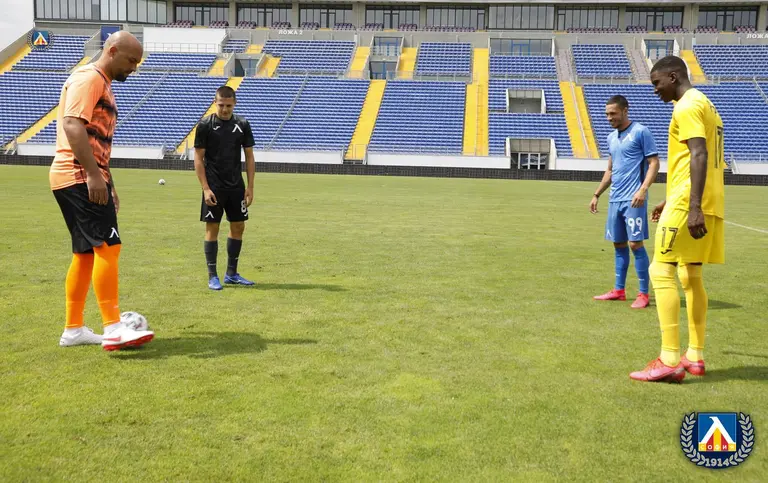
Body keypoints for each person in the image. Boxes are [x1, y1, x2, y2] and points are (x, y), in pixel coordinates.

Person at [50, 31, 154, 350]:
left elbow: (96, 141)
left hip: (78, 176)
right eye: (131, 60)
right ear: (112, 51)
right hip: (79, 176)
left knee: (84, 255)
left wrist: (108, 181)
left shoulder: (102, 83)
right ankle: (113, 327)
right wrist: (94, 177)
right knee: (109, 247)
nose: (134, 67)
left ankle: (73, 329)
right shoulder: (90, 77)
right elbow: (72, 125)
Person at [630, 55, 725, 383]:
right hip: (706, 199)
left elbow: (699, 153)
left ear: (673, 76)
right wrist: (672, 198)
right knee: (691, 275)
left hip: (691, 203)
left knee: (660, 270)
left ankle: (669, 358)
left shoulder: (686, 106)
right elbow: (692, 159)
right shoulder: (706, 103)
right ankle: (695, 355)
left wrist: (690, 206)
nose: (655, 90)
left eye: (657, 83)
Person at [590, 95, 660, 309]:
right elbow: (610, 170)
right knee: (618, 243)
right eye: (607, 114)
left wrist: (643, 189)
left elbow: (654, 163)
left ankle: (643, 293)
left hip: (634, 199)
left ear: (625, 111)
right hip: (615, 199)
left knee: (635, 244)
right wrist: (597, 194)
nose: (609, 117)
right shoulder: (611, 138)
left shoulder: (640, 132)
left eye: (613, 113)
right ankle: (619, 290)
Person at [194, 85, 256, 290]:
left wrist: (250, 187)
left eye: (228, 105)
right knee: (212, 227)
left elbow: (249, 157)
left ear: (234, 104)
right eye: (221, 105)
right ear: (215, 103)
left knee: (238, 227)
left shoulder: (242, 124)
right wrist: (205, 188)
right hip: (214, 187)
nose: (224, 109)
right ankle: (212, 276)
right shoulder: (205, 125)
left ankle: (232, 273)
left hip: (236, 187)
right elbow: (198, 158)